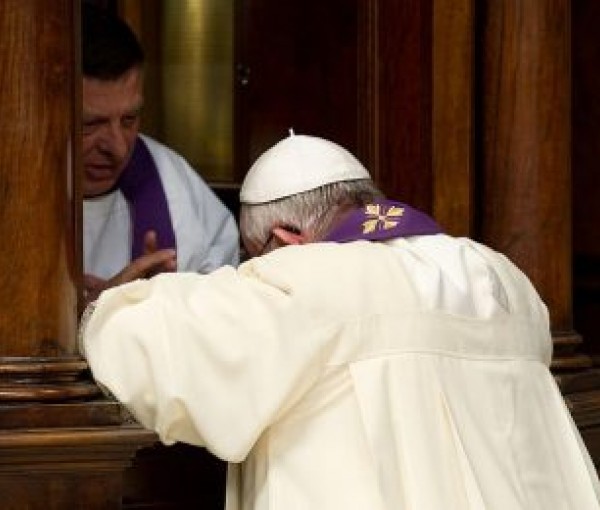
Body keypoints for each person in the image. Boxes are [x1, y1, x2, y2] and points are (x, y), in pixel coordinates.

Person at [79, 132, 600, 509]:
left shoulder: (303, 283)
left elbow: (145, 346)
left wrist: (106, 302)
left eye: (252, 256)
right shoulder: (501, 276)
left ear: (282, 240)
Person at [81, 3, 239, 303]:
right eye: (91, 124)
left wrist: (164, 303)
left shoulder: (171, 177)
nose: (117, 148)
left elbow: (225, 301)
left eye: (129, 120)